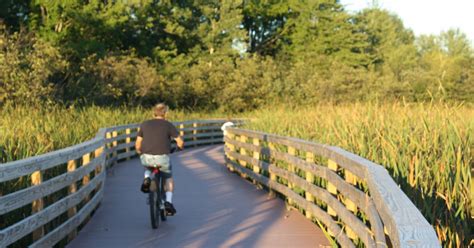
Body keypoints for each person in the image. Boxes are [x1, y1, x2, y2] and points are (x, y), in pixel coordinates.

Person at [135, 103, 184, 215]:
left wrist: (139, 152)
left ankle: (147, 178)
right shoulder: (168, 125)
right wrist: (180, 148)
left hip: (146, 157)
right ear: (165, 113)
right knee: (168, 178)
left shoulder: (144, 124)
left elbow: (138, 144)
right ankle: (168, 202)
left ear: (153, 113)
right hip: (162, 158)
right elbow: (180, 142)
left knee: (147, 166)